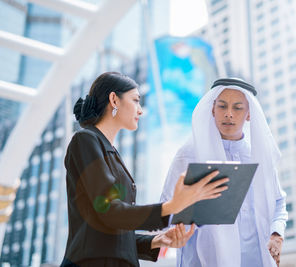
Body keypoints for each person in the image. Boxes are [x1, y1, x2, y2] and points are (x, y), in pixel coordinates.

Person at [61, 72, 229, 267]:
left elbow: (111, 231)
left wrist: (157, 241)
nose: (140, 110)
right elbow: (108, 210)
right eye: (135, 100)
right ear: (114, 99)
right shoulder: (85, 140)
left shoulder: (110, 152)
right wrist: (171, 207)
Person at [161, 78, 288, 267]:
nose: (229, 114)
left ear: (249, 114)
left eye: (237, 108)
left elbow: (279, 201)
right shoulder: (189, 155)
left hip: (256, 259)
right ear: (212, 110)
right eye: (222, 106)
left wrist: (277, 233)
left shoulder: (259, 155)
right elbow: (165, 208)